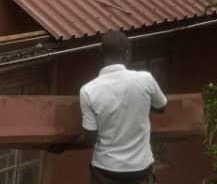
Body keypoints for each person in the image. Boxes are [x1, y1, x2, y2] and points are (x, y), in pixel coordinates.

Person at [49, 30, 167, 183]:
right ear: (127, 53)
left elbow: (89, 139)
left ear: (101, 52)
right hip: (140, 170)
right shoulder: (145, 80)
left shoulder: (88, 90)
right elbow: (162, 107)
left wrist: (63, 147)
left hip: (106, 172)